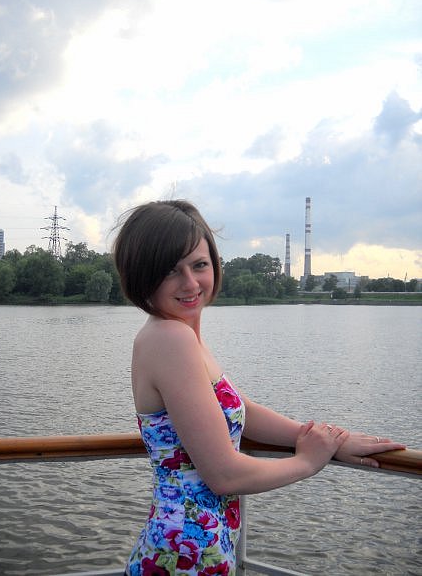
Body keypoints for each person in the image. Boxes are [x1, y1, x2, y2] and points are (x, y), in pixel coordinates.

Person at [112, 199, 405, 576]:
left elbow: (240, 410)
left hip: (192, 550)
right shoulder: (170, 338)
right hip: (184, 557)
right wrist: (307, 462)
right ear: (143, 275)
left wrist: (325, 437)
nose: (191, 283)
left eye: (199, 265)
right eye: (171, 270)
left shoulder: (180, 333)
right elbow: (224, 474)